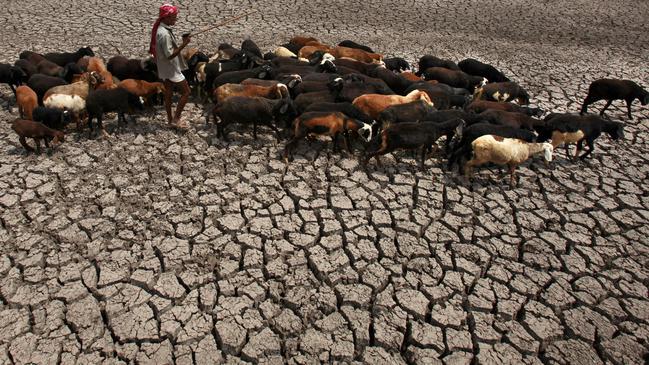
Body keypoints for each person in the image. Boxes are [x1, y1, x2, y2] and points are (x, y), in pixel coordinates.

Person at [149, 4, 191, 130]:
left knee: (168, 93)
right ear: (166, 18)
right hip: (171, 68)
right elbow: (170, 55)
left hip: (163, 67)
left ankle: (169, 120)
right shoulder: (165, 34)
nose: (175, 20)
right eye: (173, 17)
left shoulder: (160, 29)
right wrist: (184, 44)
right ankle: (176, 119)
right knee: (186, 92)